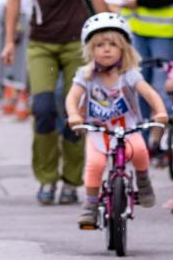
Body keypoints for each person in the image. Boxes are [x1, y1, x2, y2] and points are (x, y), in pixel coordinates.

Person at [1, 0, 108, 205]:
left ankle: (72, 181)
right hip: (41, 42)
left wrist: (106, 33)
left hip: (76, 40)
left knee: (73, 110)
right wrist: (9, 40)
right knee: (44, 109)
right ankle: (46, 178)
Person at [65, 13, 166, 227]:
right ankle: (90, 205)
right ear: (90, 49)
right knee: (95, 164)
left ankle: (143, 181)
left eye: (112, 44)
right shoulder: (86, 75)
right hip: (98, 130)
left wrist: (160, 112)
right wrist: (74, 114)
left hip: (127, 128)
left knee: (139, 151)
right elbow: (72, 97)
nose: (107, 49)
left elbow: (149, 93)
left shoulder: (128, 74)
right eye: (100, 45)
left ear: (124, 48)